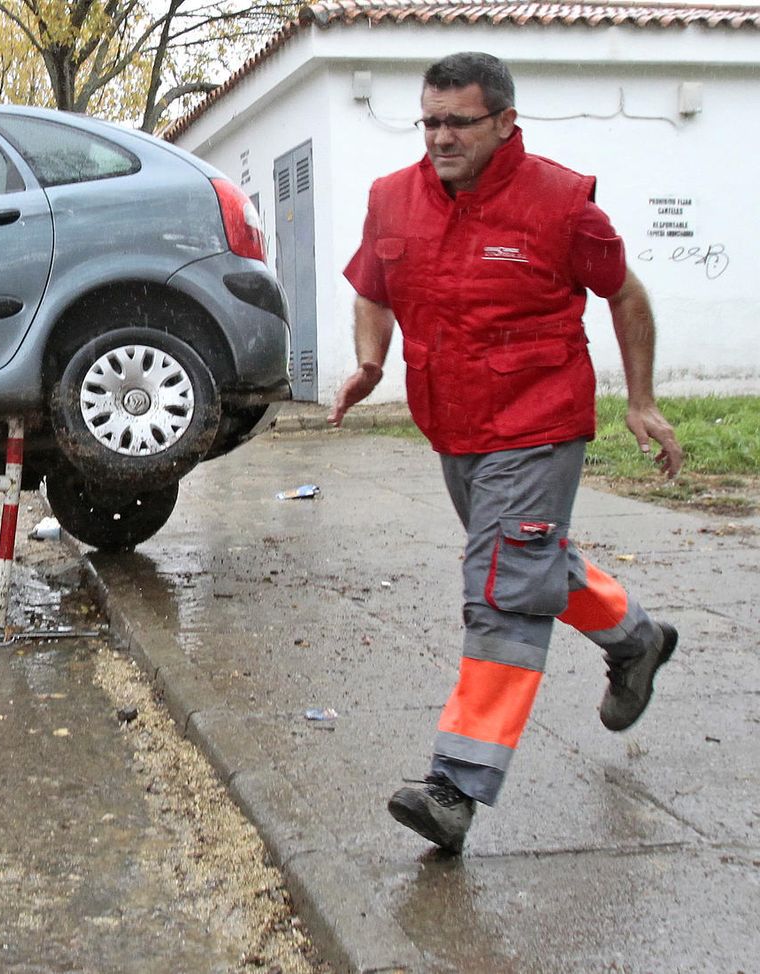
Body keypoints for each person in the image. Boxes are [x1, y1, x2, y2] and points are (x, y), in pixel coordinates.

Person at [328, 51, 685, 854]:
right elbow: (373, 289)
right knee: (525, 563)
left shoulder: (561, 204)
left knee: (500, 590)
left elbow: (624, 293)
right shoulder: (391, 199)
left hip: (540, 418)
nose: (440, 136)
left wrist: (641, 400)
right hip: (451, 423)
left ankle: (456, 787)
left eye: (458, 121)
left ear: (504, 121)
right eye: (429, 121)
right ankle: (637, 640)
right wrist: (370, 363)